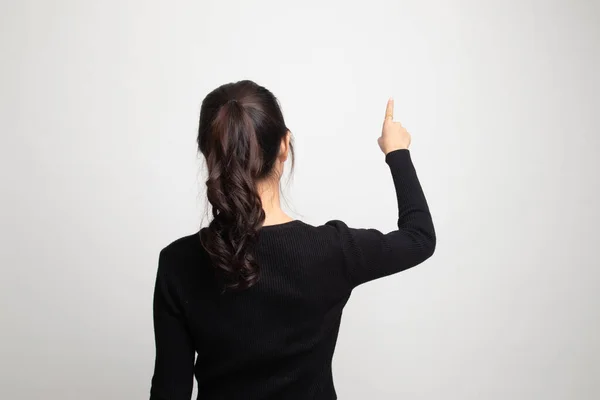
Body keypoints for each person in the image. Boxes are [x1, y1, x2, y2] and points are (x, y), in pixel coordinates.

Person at [150, 80, 436, 400]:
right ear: (285, 146)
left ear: (208, 154)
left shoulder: (178, 262)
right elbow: (420, 237)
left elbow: (168, 391)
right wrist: (397, 152)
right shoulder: (331, 250)